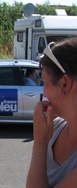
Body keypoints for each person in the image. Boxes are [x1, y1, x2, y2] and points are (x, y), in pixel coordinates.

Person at [26, 39, 77, 188]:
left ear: (65, 83)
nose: (44, 92)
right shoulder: (56, 128)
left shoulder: (49, 133)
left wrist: (40, 143)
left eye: (45, 83)